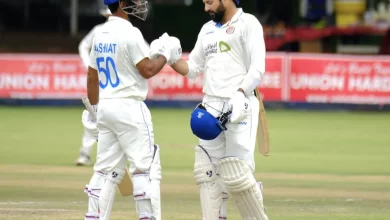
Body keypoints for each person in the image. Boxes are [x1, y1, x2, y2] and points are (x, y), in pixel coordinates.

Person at [166, 0, 269, 218]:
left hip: (239, 105)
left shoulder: (248, 23)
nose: (206, 8)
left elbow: (257, 68)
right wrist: (171, 59)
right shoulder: (207, 29)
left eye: (210, 2)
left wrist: (241, 93)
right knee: (207, 174)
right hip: (211, 106)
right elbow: (193, 68)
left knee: (237, 174)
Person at [83, 0, 181, 219]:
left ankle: (93, 216)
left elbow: (92, 75)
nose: (139, 3)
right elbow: (147, 69)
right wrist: (165, 54)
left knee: (103, 170)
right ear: (121, 4)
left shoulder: (101, 34)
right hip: (130, 107)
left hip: (106, 106)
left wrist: (95, 110)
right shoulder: (131, 32)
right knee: (145, 169)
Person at [76, 8, 112, 166]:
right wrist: (88, 65)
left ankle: (117, 156)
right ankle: (85, 153)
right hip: (100, 82)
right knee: (93, 115)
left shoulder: (130, 32)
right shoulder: (99, 30)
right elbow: (83, 46)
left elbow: (145, 52)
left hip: (119, 84)